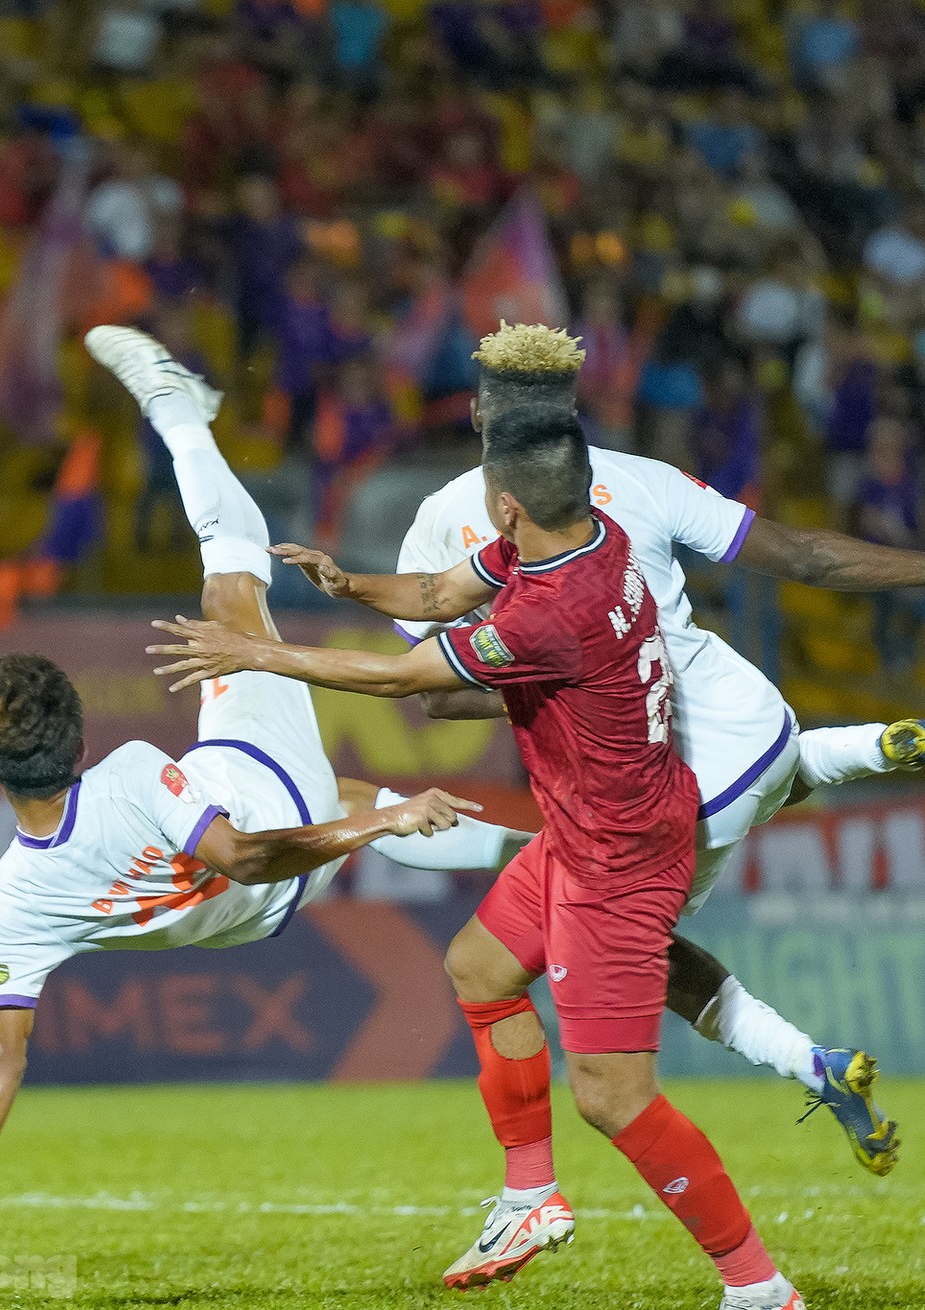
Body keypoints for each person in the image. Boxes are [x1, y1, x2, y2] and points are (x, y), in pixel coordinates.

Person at [0, 325, 532, 1298]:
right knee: (234, 590)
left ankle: (537, 849)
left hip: (249, 862)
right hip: (266, 807)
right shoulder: (136, 772)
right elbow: (243, 855)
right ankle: (178, 411)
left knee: (356, 795)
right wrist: (371, 832)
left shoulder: (11, 899)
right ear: (78, 724)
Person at [149, 407, 807, 1310]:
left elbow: (404, 679)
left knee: (613, 1098)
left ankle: (758, 1288)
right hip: (601, 824)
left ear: (504, 506)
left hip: (616, 862)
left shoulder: (548, 615)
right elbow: (434, 595)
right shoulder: (589, 536)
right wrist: (349, 587)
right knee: (481, 967)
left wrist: (255, 653)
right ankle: (530, 1197)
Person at [383, 325, 904, 1177]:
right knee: (556, 916)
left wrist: (560, 671)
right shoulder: (643, 479)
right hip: (764, 728)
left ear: (476, 413)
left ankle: (797, 1096)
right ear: (573, 415)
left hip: (668, 786)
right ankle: (858, 750)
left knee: (617, 949)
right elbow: (807, 555)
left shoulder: (445, 519)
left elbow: (432, 689)